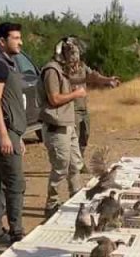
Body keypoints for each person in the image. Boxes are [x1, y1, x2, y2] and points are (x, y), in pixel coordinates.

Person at [0, 22, 28, 250]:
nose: (20, 42)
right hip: (4, 132)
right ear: (2, 41)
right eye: (15, 38)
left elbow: (8, 103)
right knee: (15, 184)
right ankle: (16, 235)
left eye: (20, 37)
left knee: (0, 184)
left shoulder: (8, 64)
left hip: (11, 131)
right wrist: (4, 135)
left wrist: (16, 135)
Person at [40, 41, 88, 218]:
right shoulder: (51, 71)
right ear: (62, 54)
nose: (74, 60)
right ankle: (52, 204)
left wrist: (102, 80)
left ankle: (76, 199)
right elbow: (54, 99)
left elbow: (77, 79)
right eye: (72, 55)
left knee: (75, 164)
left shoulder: (62, 70)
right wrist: (76, 94)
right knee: (61, 168)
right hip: (57, 127)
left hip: (68, 125)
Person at [58, 36, 119, 172]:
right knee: (74, 138)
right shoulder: (62, 69)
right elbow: (69, 82)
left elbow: (95, 76)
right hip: (71, 108)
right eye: (71, 52)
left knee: (84, 136)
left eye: (76, 52)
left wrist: (108, 80)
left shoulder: (82, 66)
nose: (74, 55)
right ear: (65, 53)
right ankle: (74, 164)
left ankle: (79, 161)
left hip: (83, 107)